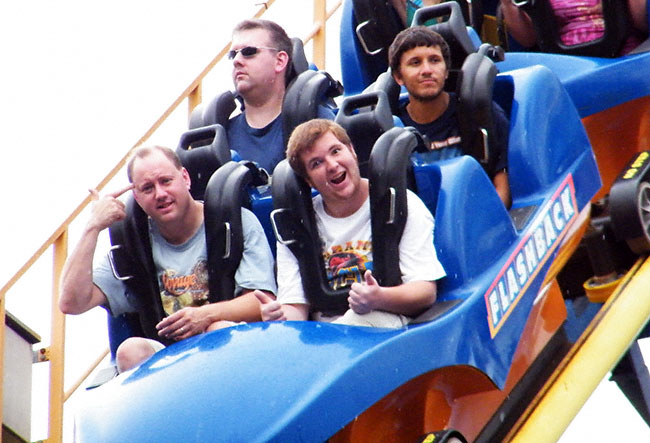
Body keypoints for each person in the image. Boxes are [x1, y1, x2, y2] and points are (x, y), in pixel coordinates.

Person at [59, 145, 277, 372]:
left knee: (217, 331)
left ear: (185, 178)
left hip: (234, 353)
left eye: (166, 181)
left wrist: (204, 315)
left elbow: (260, 300)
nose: (160, 194)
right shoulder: (134, 245)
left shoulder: (235, 224)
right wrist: (92, 227)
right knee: (130, 350)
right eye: (147, 188)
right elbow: (71, 302)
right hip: (170, 369)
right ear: (137, 197)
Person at [254, 119, 446, 328]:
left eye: (335, 151)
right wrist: (279, 317)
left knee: (358, 320)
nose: (332, 165)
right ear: (308, 180)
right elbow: (296, 310)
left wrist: (379, 297)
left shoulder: (400, 204)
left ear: (352, 151)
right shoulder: (295, 226)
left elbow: (425, 292)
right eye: (316, 163)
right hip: (326, 334)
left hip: (389, 321)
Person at [388, 26, 512, 208]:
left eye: (434, 60)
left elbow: (502, 188)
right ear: (399, 77)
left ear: (446, 71)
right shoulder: (394, 130)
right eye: (415, 63)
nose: (427, 70)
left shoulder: (480, 113)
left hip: (481, 216)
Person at [226, 19, 334, 173]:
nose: (237, 61)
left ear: (280, 60)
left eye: (248, 52)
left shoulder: (316, 120)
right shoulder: (221, 137)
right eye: (232, 54)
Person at [499, 0, 648, 55]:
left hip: (627, 55)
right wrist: (507, 3)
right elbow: (528, 39)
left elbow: (642, 19)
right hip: (569, 63)